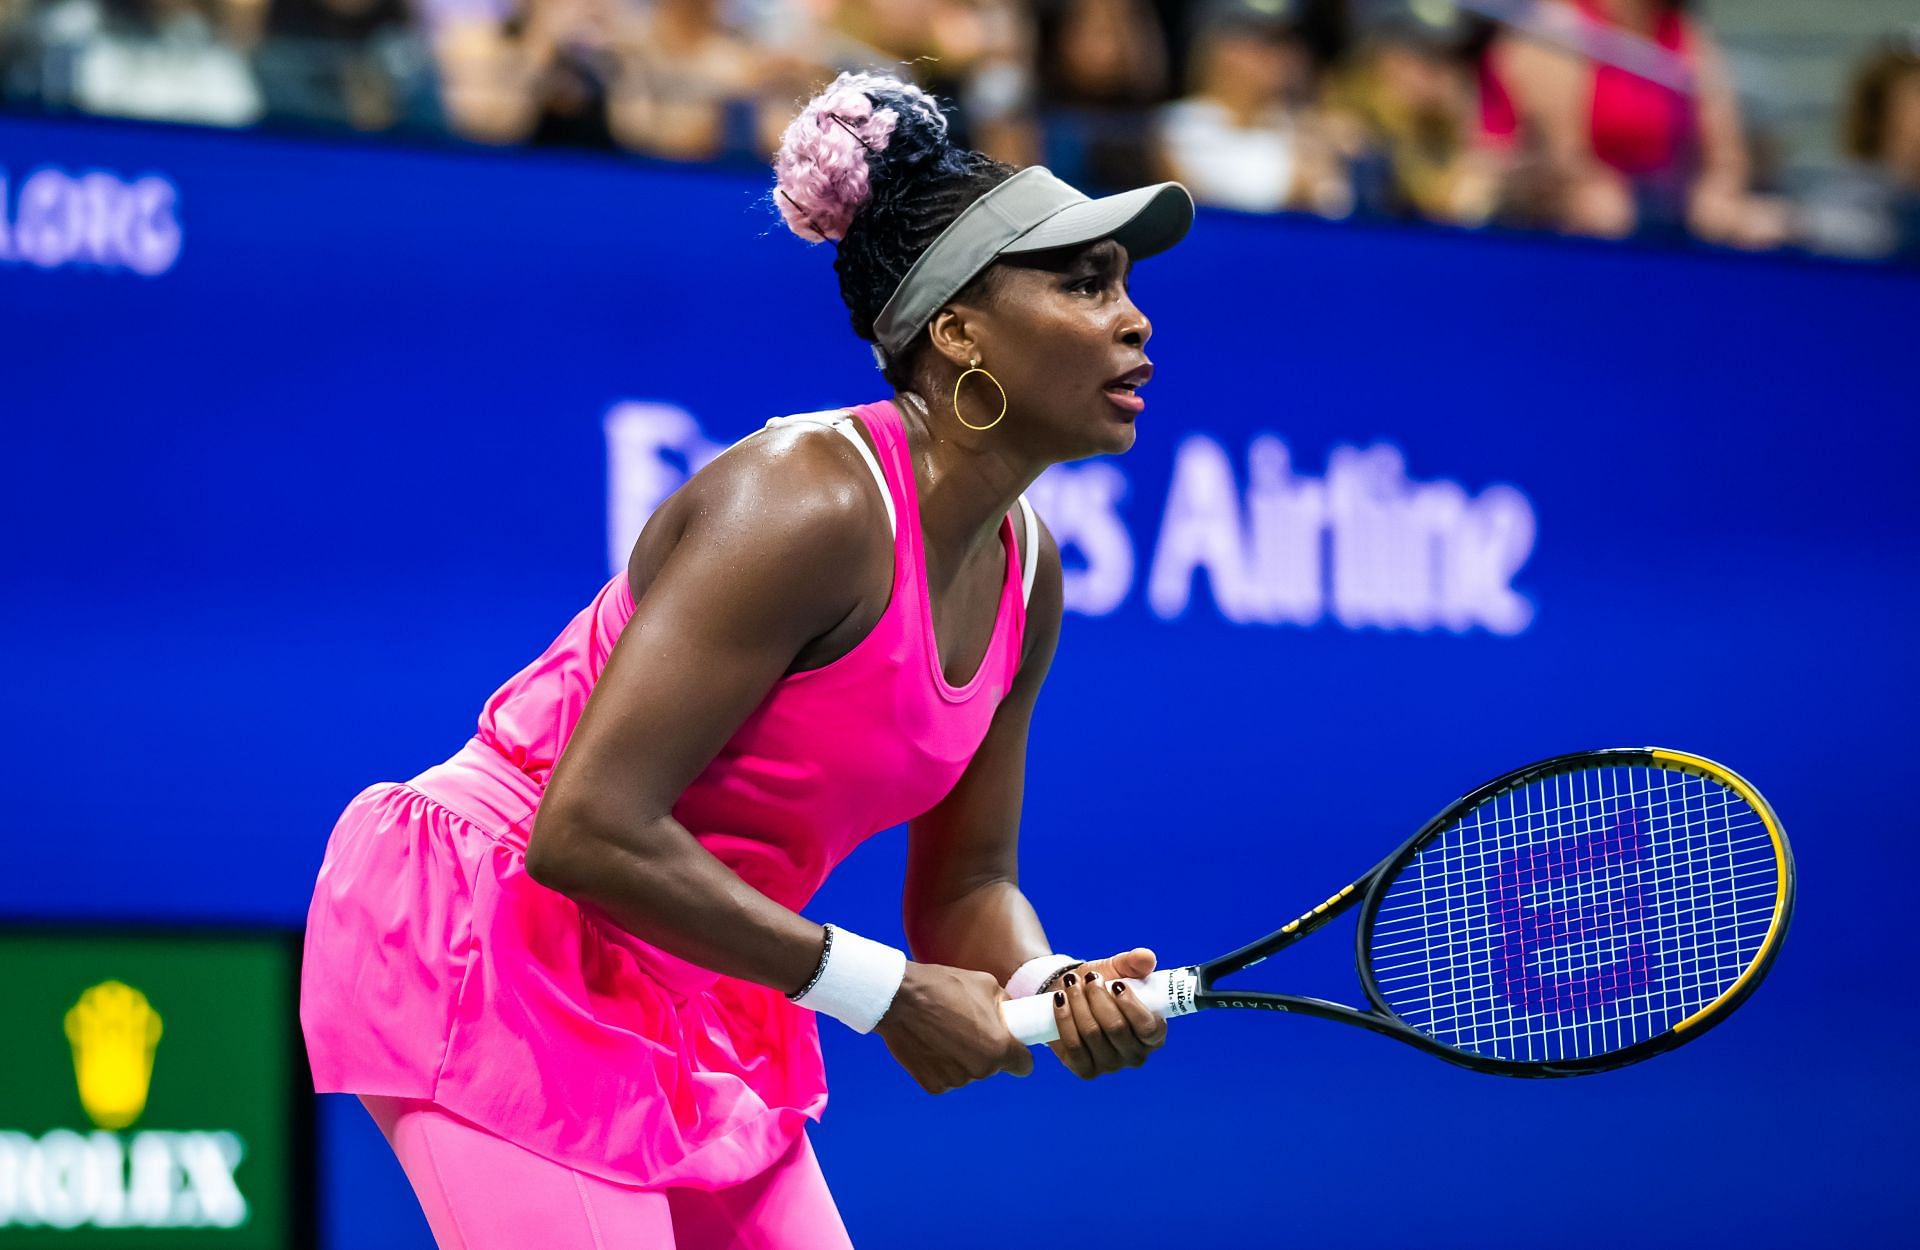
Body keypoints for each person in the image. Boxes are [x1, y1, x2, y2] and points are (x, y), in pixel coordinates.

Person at [300, 69, 1194, 1248]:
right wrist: (882, 992)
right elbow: (587, 827)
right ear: (959, 330)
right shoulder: (808, 498)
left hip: (701, 968)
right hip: (501, 926)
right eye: (1084, 282)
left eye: (1126, 284)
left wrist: (1046, 984)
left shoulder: (1030, 572)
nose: (1133, 317)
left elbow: (967, 888)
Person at [1486, 0, 1787, 248]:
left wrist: (1717, 194)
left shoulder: (1684, 31)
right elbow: (1559, 156)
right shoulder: (1555, 24)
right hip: (1571, 213)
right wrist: (1589, 191)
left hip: (1665, 209)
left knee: (1769, 225)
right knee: (1606, 217)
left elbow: (1725, 155)